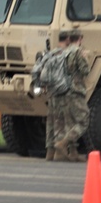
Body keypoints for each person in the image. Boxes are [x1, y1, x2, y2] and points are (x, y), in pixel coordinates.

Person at [53, 29, 91, 163]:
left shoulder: (64, 52)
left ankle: (72, 153)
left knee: (70, 122)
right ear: (80, 38)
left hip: (64, 90)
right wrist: (86, 58)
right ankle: (63, 143)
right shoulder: (78, 52)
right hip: (76, 89)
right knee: (83, 120)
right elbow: (85, 71)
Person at [41, 30, 71, 162]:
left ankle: (50, 151)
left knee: (51, 121)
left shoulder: (50, 54)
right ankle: (60, 153)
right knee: (60, 121)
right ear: (68, 39)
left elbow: (38, 71)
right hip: (61, 91)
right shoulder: (64, 55)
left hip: (51, 91)